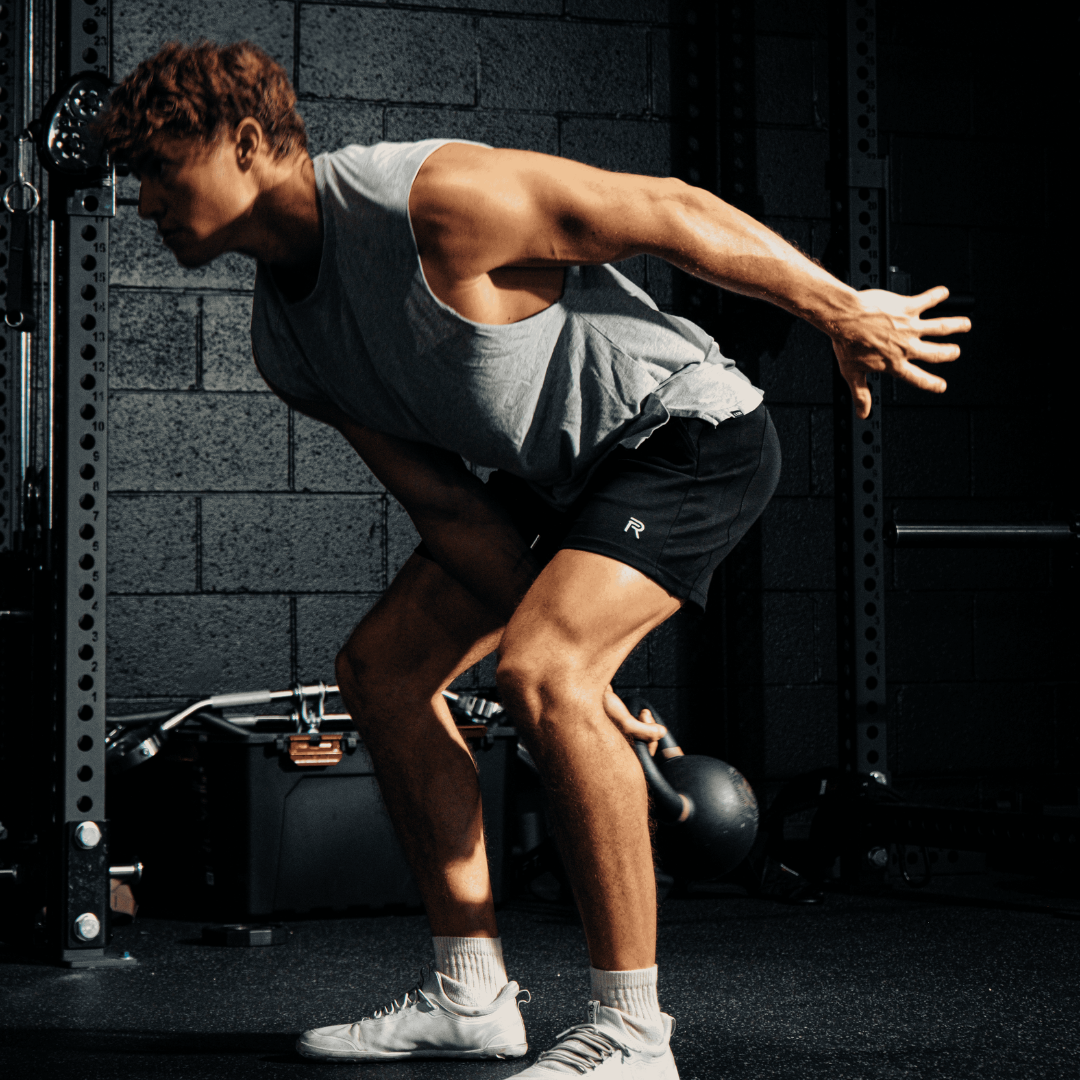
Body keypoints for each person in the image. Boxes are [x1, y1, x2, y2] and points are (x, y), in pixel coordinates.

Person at [98, 40, 969, 1077]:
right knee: (385, 674)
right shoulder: (287, 347)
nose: (144, 201)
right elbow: (449, 509)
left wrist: (837, 304)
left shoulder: (432, 201)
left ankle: (636, 1036)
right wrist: (582, 674)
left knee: (543, 673)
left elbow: (672, 208)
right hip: (559, 477)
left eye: (159, 168)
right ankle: (472, 996)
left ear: (245, 144)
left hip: (684, 433)